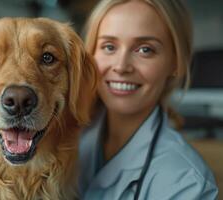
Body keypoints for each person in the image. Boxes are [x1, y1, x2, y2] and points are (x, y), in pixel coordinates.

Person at [78, 0, 219, 199]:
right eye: (109, 46)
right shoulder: (62, 139)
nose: (121, 66)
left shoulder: (187, 185)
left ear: (176, 62)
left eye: (145, 49)